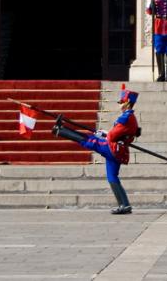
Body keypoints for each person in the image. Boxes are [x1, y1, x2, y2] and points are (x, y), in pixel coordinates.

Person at [53, 84, 140, 214]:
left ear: (127, 103)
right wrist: (105, 133)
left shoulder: (126, 117)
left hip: (113, 148)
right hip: (118, 151)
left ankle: (60, 130)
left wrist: (105, 134)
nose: (119, 105)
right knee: (112, 177)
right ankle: (125, 205)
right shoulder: (130, 117)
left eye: (121, 102)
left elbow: (112, 136)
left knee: (89, 141)